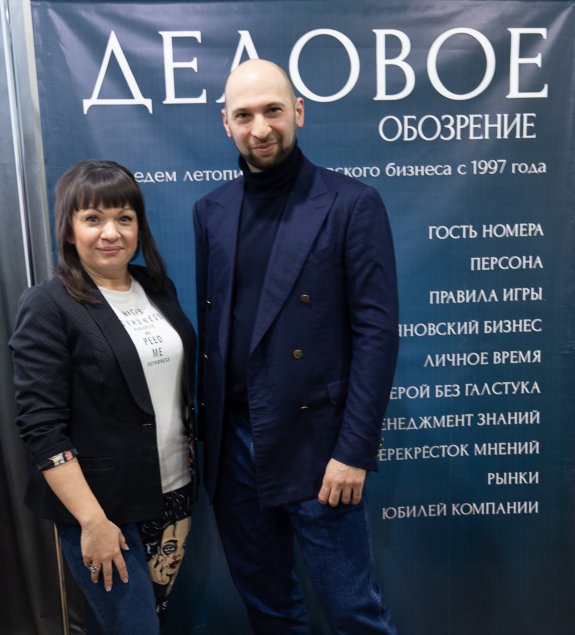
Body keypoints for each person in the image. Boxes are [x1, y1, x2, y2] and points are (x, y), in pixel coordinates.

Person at [193, 59, 399, 634]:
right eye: (244, 115)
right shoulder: (210, 211)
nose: (260, 128)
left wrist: (354, 451)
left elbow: (377, 335)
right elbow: (215, 332)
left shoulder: (352, 203)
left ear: (299, 113)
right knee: (270, 611)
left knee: (353, 612)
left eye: (273, 111)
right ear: (226, 123)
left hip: (319, 444)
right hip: (233, 445)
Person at [10, 160, 197, 634]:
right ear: (69, 229)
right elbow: (41, 427)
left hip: (173, 493)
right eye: (93, 218)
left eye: (124, 218)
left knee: (150, 618)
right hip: (102, 509)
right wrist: (92, 522)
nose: (110, 233)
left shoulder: (156, 288)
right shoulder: (49, 305)